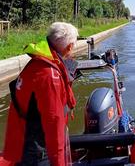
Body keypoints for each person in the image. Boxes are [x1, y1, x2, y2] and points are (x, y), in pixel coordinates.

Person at [2, 22, 79, 166]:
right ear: (69, 47)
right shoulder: (49, 75)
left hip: (22, 140)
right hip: (36, 149)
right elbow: (53, 124)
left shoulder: (37, 63)